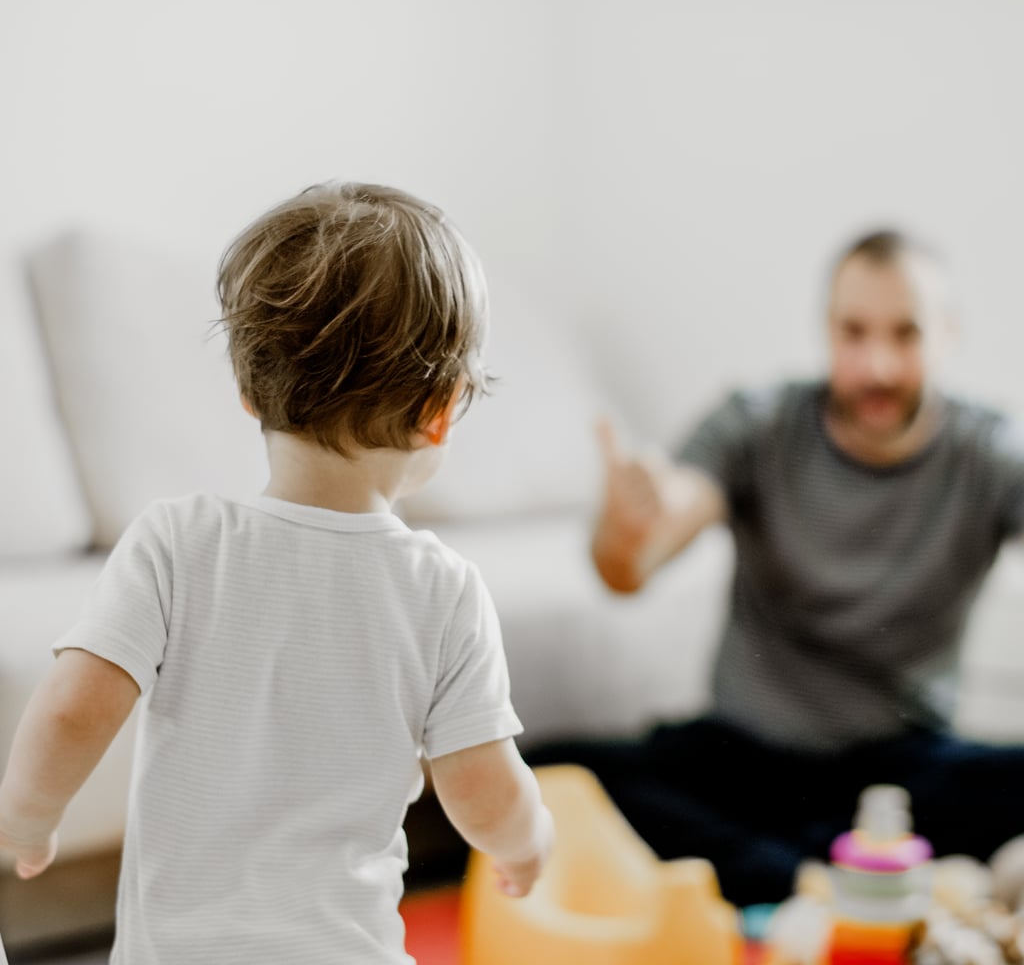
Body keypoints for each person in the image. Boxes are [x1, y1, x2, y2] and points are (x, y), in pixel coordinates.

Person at [0, 182, 553, 963]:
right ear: (440, 409)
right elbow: (483, 789)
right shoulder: (443, 591)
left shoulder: (176, 540)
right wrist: (528, 842)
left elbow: (71, 713)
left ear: (248, 390)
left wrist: (28, 814)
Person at [530, 229, 1024, 907]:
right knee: (545, 782)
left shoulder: (992, 452)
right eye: (854, 333)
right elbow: (633, 563)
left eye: (905, 335)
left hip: (903, 774)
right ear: (827, 331)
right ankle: (827, 878)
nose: (877, 364)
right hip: (744, 760)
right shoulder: (757, 424)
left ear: (947, 334)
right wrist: (628, 526)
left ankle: (787, 873)